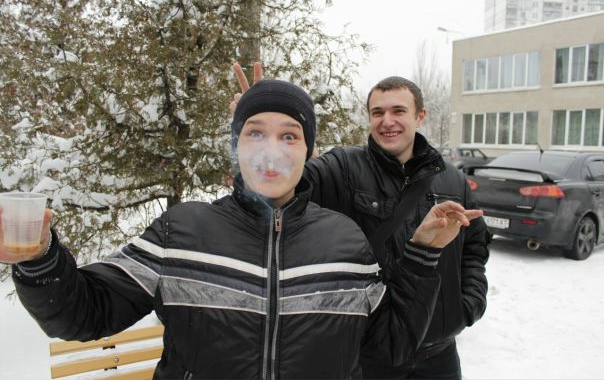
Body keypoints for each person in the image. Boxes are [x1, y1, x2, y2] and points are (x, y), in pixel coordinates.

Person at [1, 79, 483, 380]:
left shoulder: (344, 243)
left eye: (289, 135)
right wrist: (40, 260)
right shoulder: (181, 233)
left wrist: (423, 255)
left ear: (309, 152)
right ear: (236, 146)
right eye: (255, 132)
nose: (271, 150)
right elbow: (81, 315)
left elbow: (391, 346)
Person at [231, 63, 490, 380]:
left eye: (398, 111)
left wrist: (467, 304)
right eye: (377, 112)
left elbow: (475, 245)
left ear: (420, 116)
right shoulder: (343, 167)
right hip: (369, 349)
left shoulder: (451, 179)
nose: (387, 121)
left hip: (439, 353)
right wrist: (263, 136)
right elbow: (279, 191)